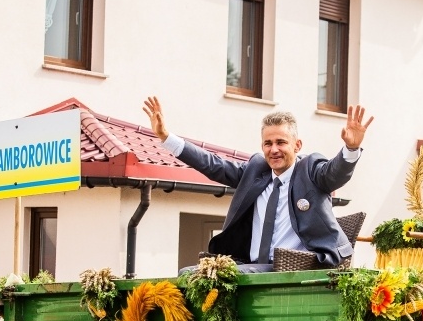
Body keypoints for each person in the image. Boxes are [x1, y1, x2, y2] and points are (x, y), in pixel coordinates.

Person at [143, 96, 374, 273]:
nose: (274, 149)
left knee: (221, 276)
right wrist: (166, 137)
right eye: (268, 143)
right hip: (250, 264)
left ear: (297, 145)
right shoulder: (256, 170)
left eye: (281, 142)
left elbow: (335, 174)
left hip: (294, 267)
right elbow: (213, 165)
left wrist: (351, 149)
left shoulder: (311, 170)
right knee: (188, 273)